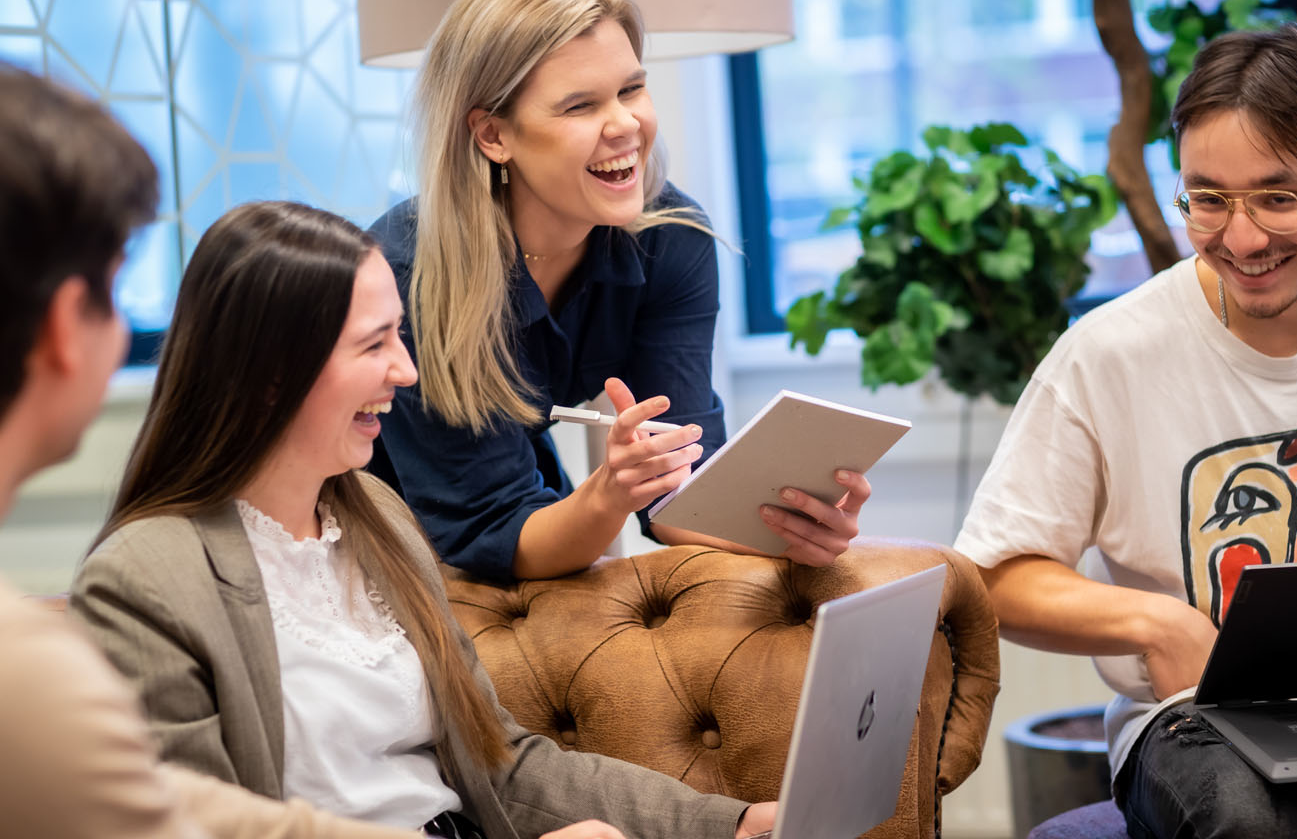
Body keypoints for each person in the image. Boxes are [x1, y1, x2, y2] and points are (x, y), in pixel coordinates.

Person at [69, 200, 777, 839]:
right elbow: (197, 827)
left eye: (401, 337)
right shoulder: (146, 579)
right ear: (272, 373)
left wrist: (732, 824)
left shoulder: (377, 519)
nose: (407, 372)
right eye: (375, 344)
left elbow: (502, 767)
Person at [954, 22, 1297, 837]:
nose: (1242, 237)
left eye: (1278, 196)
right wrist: (1155, 623)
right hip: (1197, 725)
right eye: (1207, 199)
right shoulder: (1111, 353)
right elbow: (992, 575)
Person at [0, 64, 423, 838]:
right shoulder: (31, 674)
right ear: (67, 324)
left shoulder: (377, 519)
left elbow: (187, 808)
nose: (405, 371)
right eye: (114, 289)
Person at [369, 0, 869, 581]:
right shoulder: (409, 278)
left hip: (504, 517)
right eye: (580, 105)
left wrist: (782, 527)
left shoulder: (671, 236)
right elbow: (490, 535)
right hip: (367, 533)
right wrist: (608, 496)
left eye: (631, 89)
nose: (627, 125)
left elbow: (680, 488)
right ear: (494, 134)